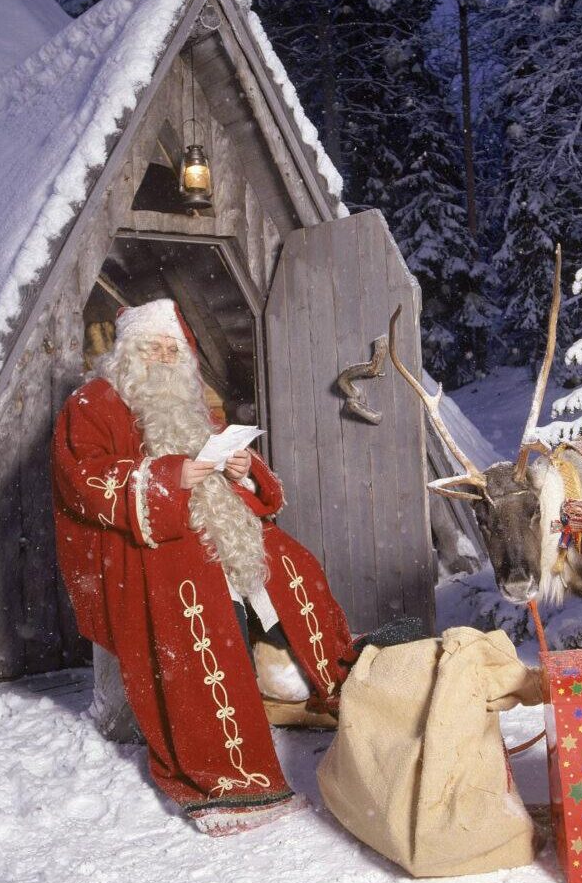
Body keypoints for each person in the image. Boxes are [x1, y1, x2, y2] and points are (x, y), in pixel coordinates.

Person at [50, 298, 356, 836]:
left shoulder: (191, 404)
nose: (164, 359)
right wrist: (169, 477)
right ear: (128, 352)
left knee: (295, 565)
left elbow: (232, 470)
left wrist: (241, 468)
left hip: (218, 528)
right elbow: (84, 480)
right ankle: (228, 766)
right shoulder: (92, 402)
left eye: (173, 350)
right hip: (144, 542)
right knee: (200, 603)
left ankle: (318, 682)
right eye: (153, 348)